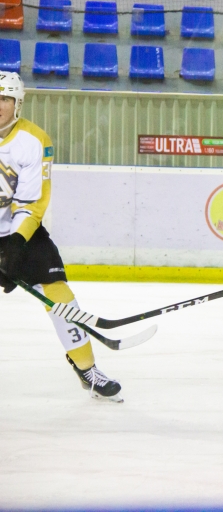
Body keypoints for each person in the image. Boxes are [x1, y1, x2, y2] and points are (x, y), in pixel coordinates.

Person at [0, 71, 122, 401]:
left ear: (17, 104)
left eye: (5, 99)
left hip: (20, 232)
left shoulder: (34, 140)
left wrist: (14, 247)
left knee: (57, 292)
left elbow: (31, 203)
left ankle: (86, 368)